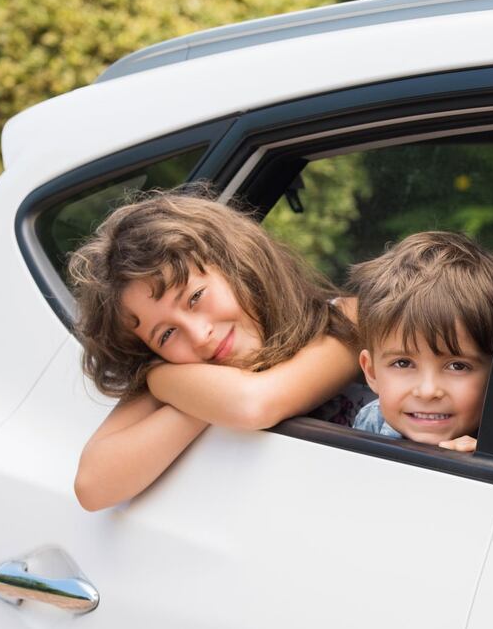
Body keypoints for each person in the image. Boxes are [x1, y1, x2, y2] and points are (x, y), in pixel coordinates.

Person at [71, 190, 367, 511]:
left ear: (238, 262)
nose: (200, 336)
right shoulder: (186, 372)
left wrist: (160, 380)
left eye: (195, 297)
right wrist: (182, 384)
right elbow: (91, 485)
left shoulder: (347, 320)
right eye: (167, 334)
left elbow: (252, 404)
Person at [348, 231, 493, 453]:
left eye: (457, 365)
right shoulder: (371, 423)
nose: (427, 391)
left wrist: (492, 459)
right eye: (403, 363)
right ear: (372, 372)